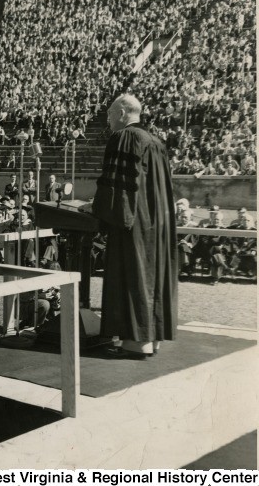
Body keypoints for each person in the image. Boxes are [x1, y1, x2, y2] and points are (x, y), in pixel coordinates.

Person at [83, 94, 177, 360]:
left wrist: (98, 208)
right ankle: (152, 339)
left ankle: (137, 342)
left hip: (133, 224)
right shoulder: (156, 142)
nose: (108, 118)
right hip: (155, 223)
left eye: (111, 113)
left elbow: (117, 187)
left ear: (123, 112)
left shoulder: (125, 138)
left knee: (133, 275)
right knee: (151, 277)